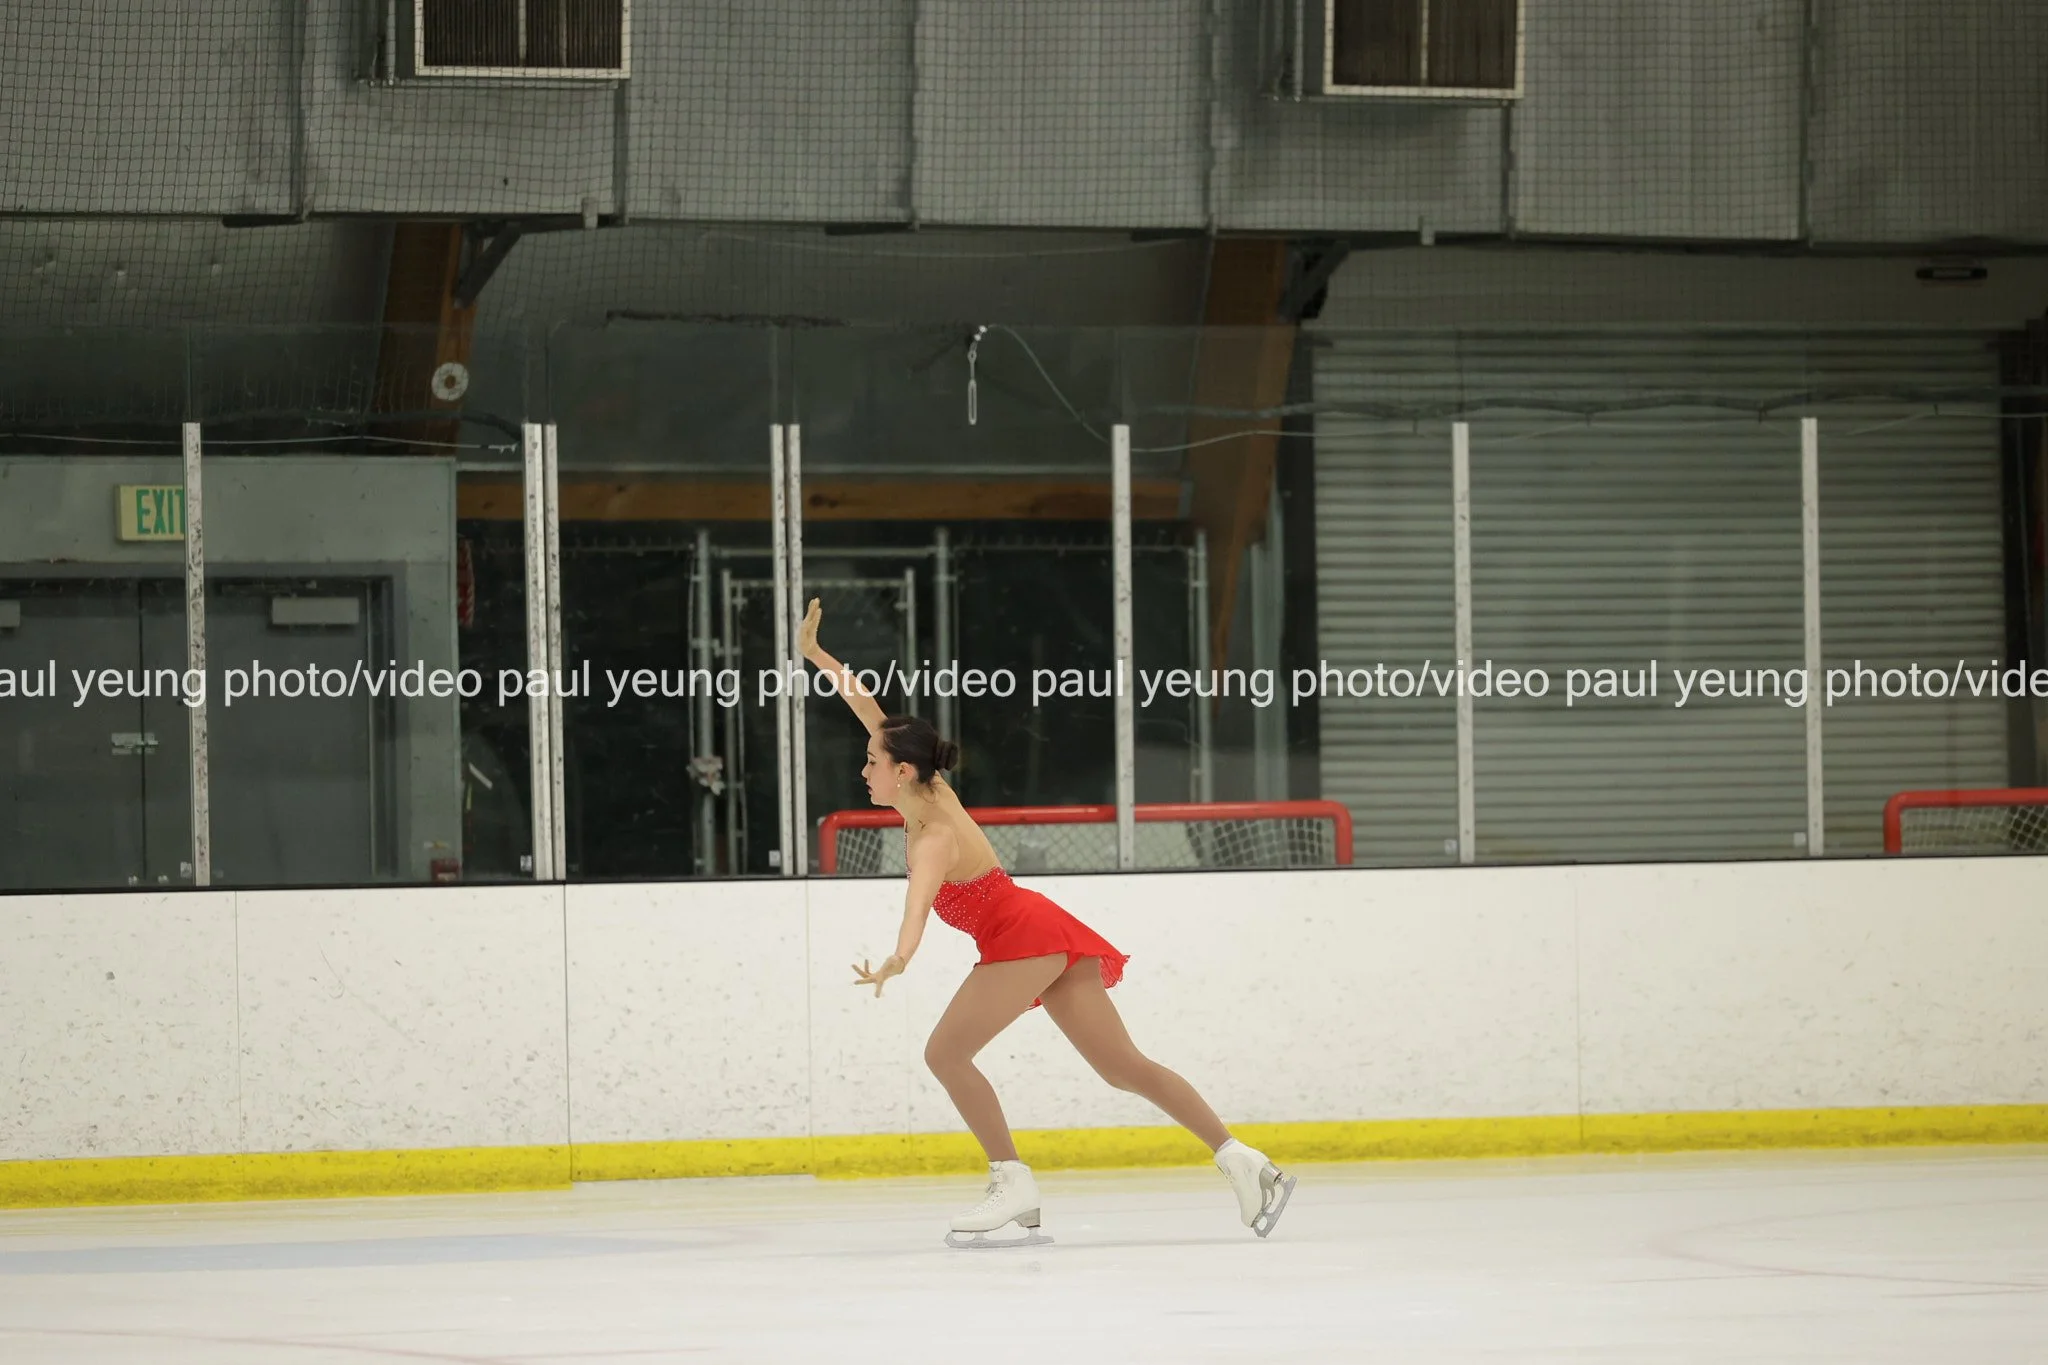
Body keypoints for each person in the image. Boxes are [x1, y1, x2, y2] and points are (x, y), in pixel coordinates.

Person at [797, 598, 1296, 1248]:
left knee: (945, 1053)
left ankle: (1012, 1182)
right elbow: (868, 706)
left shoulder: (932, 835)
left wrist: (900, 956)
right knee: (1122, 1066)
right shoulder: (929, 792)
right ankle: (1243, 1160)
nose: (863, 769)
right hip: (1038, 928)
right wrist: (817, 656)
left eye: (871, 761)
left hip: (1022, 937)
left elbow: (917, 903)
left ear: (903, 770)